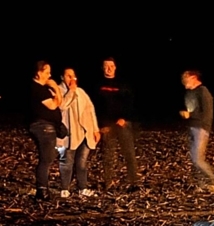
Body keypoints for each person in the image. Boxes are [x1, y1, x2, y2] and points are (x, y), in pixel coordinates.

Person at [97, 57, 140, 189]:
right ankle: (108, 182)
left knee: (129, 153)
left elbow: (130, 103)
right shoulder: (98, 85)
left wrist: (124, 118)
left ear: (115, 67)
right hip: (107, 125)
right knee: (108, 155)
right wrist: (100, 125)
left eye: (111, 66)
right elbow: (95, 106)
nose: (109, 69)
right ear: (102, 68)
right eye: (106, 66)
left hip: (122, 123)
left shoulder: (123, 84)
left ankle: (134, 182)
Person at [57, 68, 100, 197]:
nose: (71, 79)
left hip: (85, 132)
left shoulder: (81, 92)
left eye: (73, 76)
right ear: (62, 77)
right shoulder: (58, 90)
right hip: (68, 133)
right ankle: (65, 188)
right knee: (67, 161)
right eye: (68, 76)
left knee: (81, 162)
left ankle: (82, 187)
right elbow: (62, 106)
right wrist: (71, 91)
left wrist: (95, 129)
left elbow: (90, 109)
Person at [179, 70, 214, 193]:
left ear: (193, 77)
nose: (183, 80)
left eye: (185, 77)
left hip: (201, 128)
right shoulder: (190, 93)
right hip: (192, 127)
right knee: (194, 159)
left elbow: (207, 112)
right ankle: (202, 184)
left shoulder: (203, 91)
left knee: (198, 159)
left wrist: (191, 115)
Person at [29, 61, 64, 197]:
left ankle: (43, 187)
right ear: (39, 73)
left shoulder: (42, 89)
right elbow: (53, 105)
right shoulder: (37, 89)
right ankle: (42, 189)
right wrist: (55, 87)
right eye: (47, 72)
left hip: (47, 126)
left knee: (48, 157)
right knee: (46, 158)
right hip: (43, 127)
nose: (49, 75)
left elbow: (58, 102)